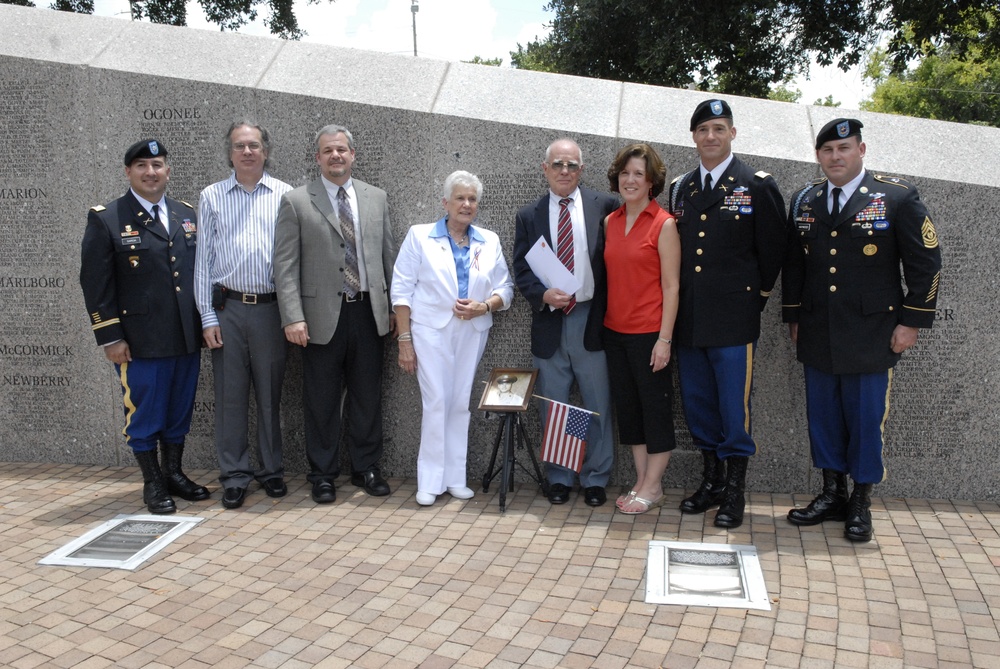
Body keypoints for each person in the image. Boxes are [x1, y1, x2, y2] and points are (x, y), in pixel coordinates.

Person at [782, 118, 942, 542]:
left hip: (873, 332)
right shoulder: (805, 199)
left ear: (861, 150)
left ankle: (860, 499)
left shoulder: (897, 197)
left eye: (844, 149)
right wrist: (794, 316)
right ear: (818, 156)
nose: (836, 157)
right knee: (825, 416)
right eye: (828, 151)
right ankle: (831, 493)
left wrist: (912, 322)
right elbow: (795, 265)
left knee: (866, 419)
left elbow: (926, 265)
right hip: (817, 328)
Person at [667, 99, 787, 529]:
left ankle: (734, 491)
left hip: (734, 318)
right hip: (691, 318)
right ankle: (712, 481)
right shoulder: (682, 187)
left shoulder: (756, 184)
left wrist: (754, 298)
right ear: (694, 137)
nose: (711, 137)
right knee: (698, 404)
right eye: (703, 130)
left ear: (732, 133)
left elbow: (774, 250)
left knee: (733, 407)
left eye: (719, 128)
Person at [80, 139, 210, 514]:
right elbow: (95, 283)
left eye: (157, 165)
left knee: (179, 409)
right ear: (128, 172)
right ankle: (152, 483)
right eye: (141, 166)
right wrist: (110, 336)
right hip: (140, 341)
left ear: (168, 170)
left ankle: (174, 473)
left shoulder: (186, 214)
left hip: (185, 335)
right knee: (144, 413)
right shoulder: (106, 218)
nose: (150, 172)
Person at [273, 124, 398, 504]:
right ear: (318, 158)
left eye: (342, 150)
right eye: (328, 151)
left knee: (366, 396)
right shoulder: (296, 201)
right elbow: (285, 266)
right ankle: (322, 474)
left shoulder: (376, 198)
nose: (336, 156)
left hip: (368, 312)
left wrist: (394, 309)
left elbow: (387, 256)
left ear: (353, 155)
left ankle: (366, 467)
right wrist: (292, 317)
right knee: (321, 399)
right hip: (319, 317)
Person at [391, 171, 514, 506]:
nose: (466, 204)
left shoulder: (488, 240)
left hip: (472, 330)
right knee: (436, 401)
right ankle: (430, 480)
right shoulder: (420, 236)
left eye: (472, 199)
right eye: (460, 198)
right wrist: (404, 339)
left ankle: (455, 477)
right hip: (430, 330)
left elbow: (505, 288)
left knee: (460, 401)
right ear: (445, 202)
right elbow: (401, 291)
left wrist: (484, 306)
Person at [513, 139, 619, 507]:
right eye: (557, 164)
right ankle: (560, 476)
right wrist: (542, 295)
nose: (564, 171)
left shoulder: (605, 206)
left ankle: (595, 477)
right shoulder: (529, 215)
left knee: (596, 403)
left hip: (592, 320)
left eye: (572, 165)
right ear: (545, 168)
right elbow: (522, 269)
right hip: (551, 322)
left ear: (581, 170)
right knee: (557, 405)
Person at [195, 121, 293, 510]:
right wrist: (207, 316)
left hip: (270, 310)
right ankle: (234, 475)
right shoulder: (212, 196)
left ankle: (271, 471)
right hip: (228, 309)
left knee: (270, 396)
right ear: (230, 153)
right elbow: (203, 261)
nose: (248, 152)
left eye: (254, 145)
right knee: (230, 397)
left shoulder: (285, 194)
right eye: (240, 146)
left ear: (265, 151)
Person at [602, 143, 681, 515]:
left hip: (650, 334)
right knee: (630, 411)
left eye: (638, 174)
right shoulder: (610, 221)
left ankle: (653, 486)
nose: (630, 180)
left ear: (651, 181)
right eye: (625, 173)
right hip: (614, 334)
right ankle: (642, 481)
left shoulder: (663, 224)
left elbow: (671, 286)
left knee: (655, 411)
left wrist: (664, 339)